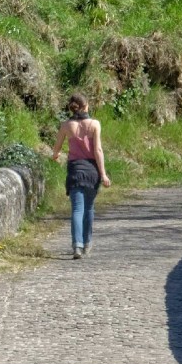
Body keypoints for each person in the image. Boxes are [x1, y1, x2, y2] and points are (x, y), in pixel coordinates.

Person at [51, 93, 111, 259]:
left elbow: (56, 148)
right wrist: (103, 174)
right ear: (86, 106)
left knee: (77, 209)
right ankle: (87, 243)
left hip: (75, 170)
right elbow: (98, 150)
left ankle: (76, 245)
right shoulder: (94, 124)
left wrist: (55, 155)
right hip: (92, 170)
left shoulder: (66, 125)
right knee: (89, 208)